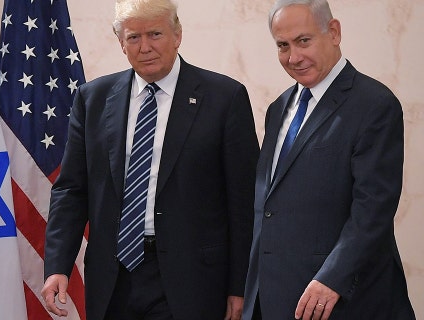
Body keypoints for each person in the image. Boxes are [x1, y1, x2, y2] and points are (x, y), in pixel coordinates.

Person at [41, 0, 260, 319]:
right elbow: (71, 191)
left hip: (193, 280)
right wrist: (58, 265)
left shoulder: (224, 98)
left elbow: (244, 202)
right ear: (120, 43)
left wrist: (240, 285)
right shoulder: (94, 99)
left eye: (155, 34)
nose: (145, 47)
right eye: (133, 37)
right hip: (113, 278)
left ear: (177, 35)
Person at [242, 1, 416, 319]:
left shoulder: (374, 105)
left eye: (303, 41)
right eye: (283, 45)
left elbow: (373, 209)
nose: (293, 57)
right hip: (275, 299)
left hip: (341, 301)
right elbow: (268, 207)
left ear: (333, 32)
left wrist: (332, 279)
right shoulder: (278, 108)